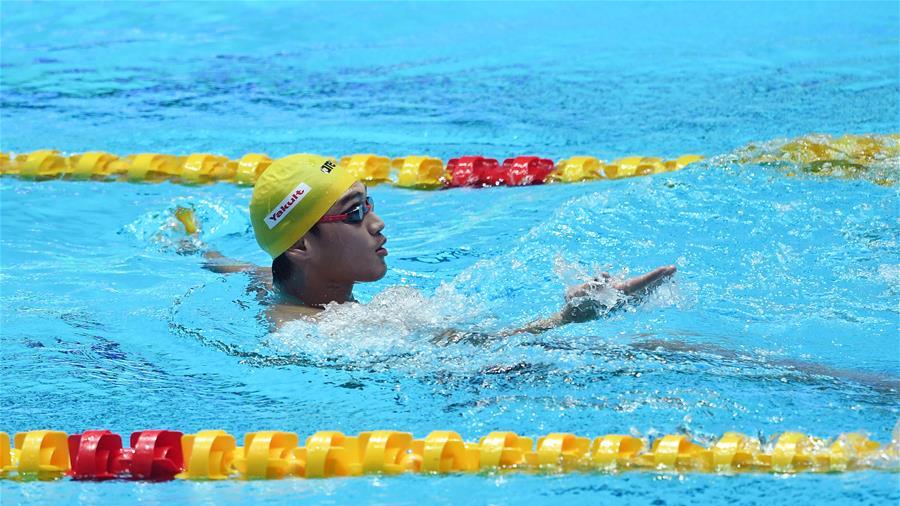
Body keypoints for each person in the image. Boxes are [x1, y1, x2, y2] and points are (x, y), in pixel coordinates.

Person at [198, 154, 677, 332]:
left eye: (371, 203)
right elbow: (463, 347)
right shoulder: (314, 329)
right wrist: (566, 319)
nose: (377, 224)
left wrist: (196, 249)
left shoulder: (279, 279)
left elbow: (248, 268)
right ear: (302, 245)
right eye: (355, 212)